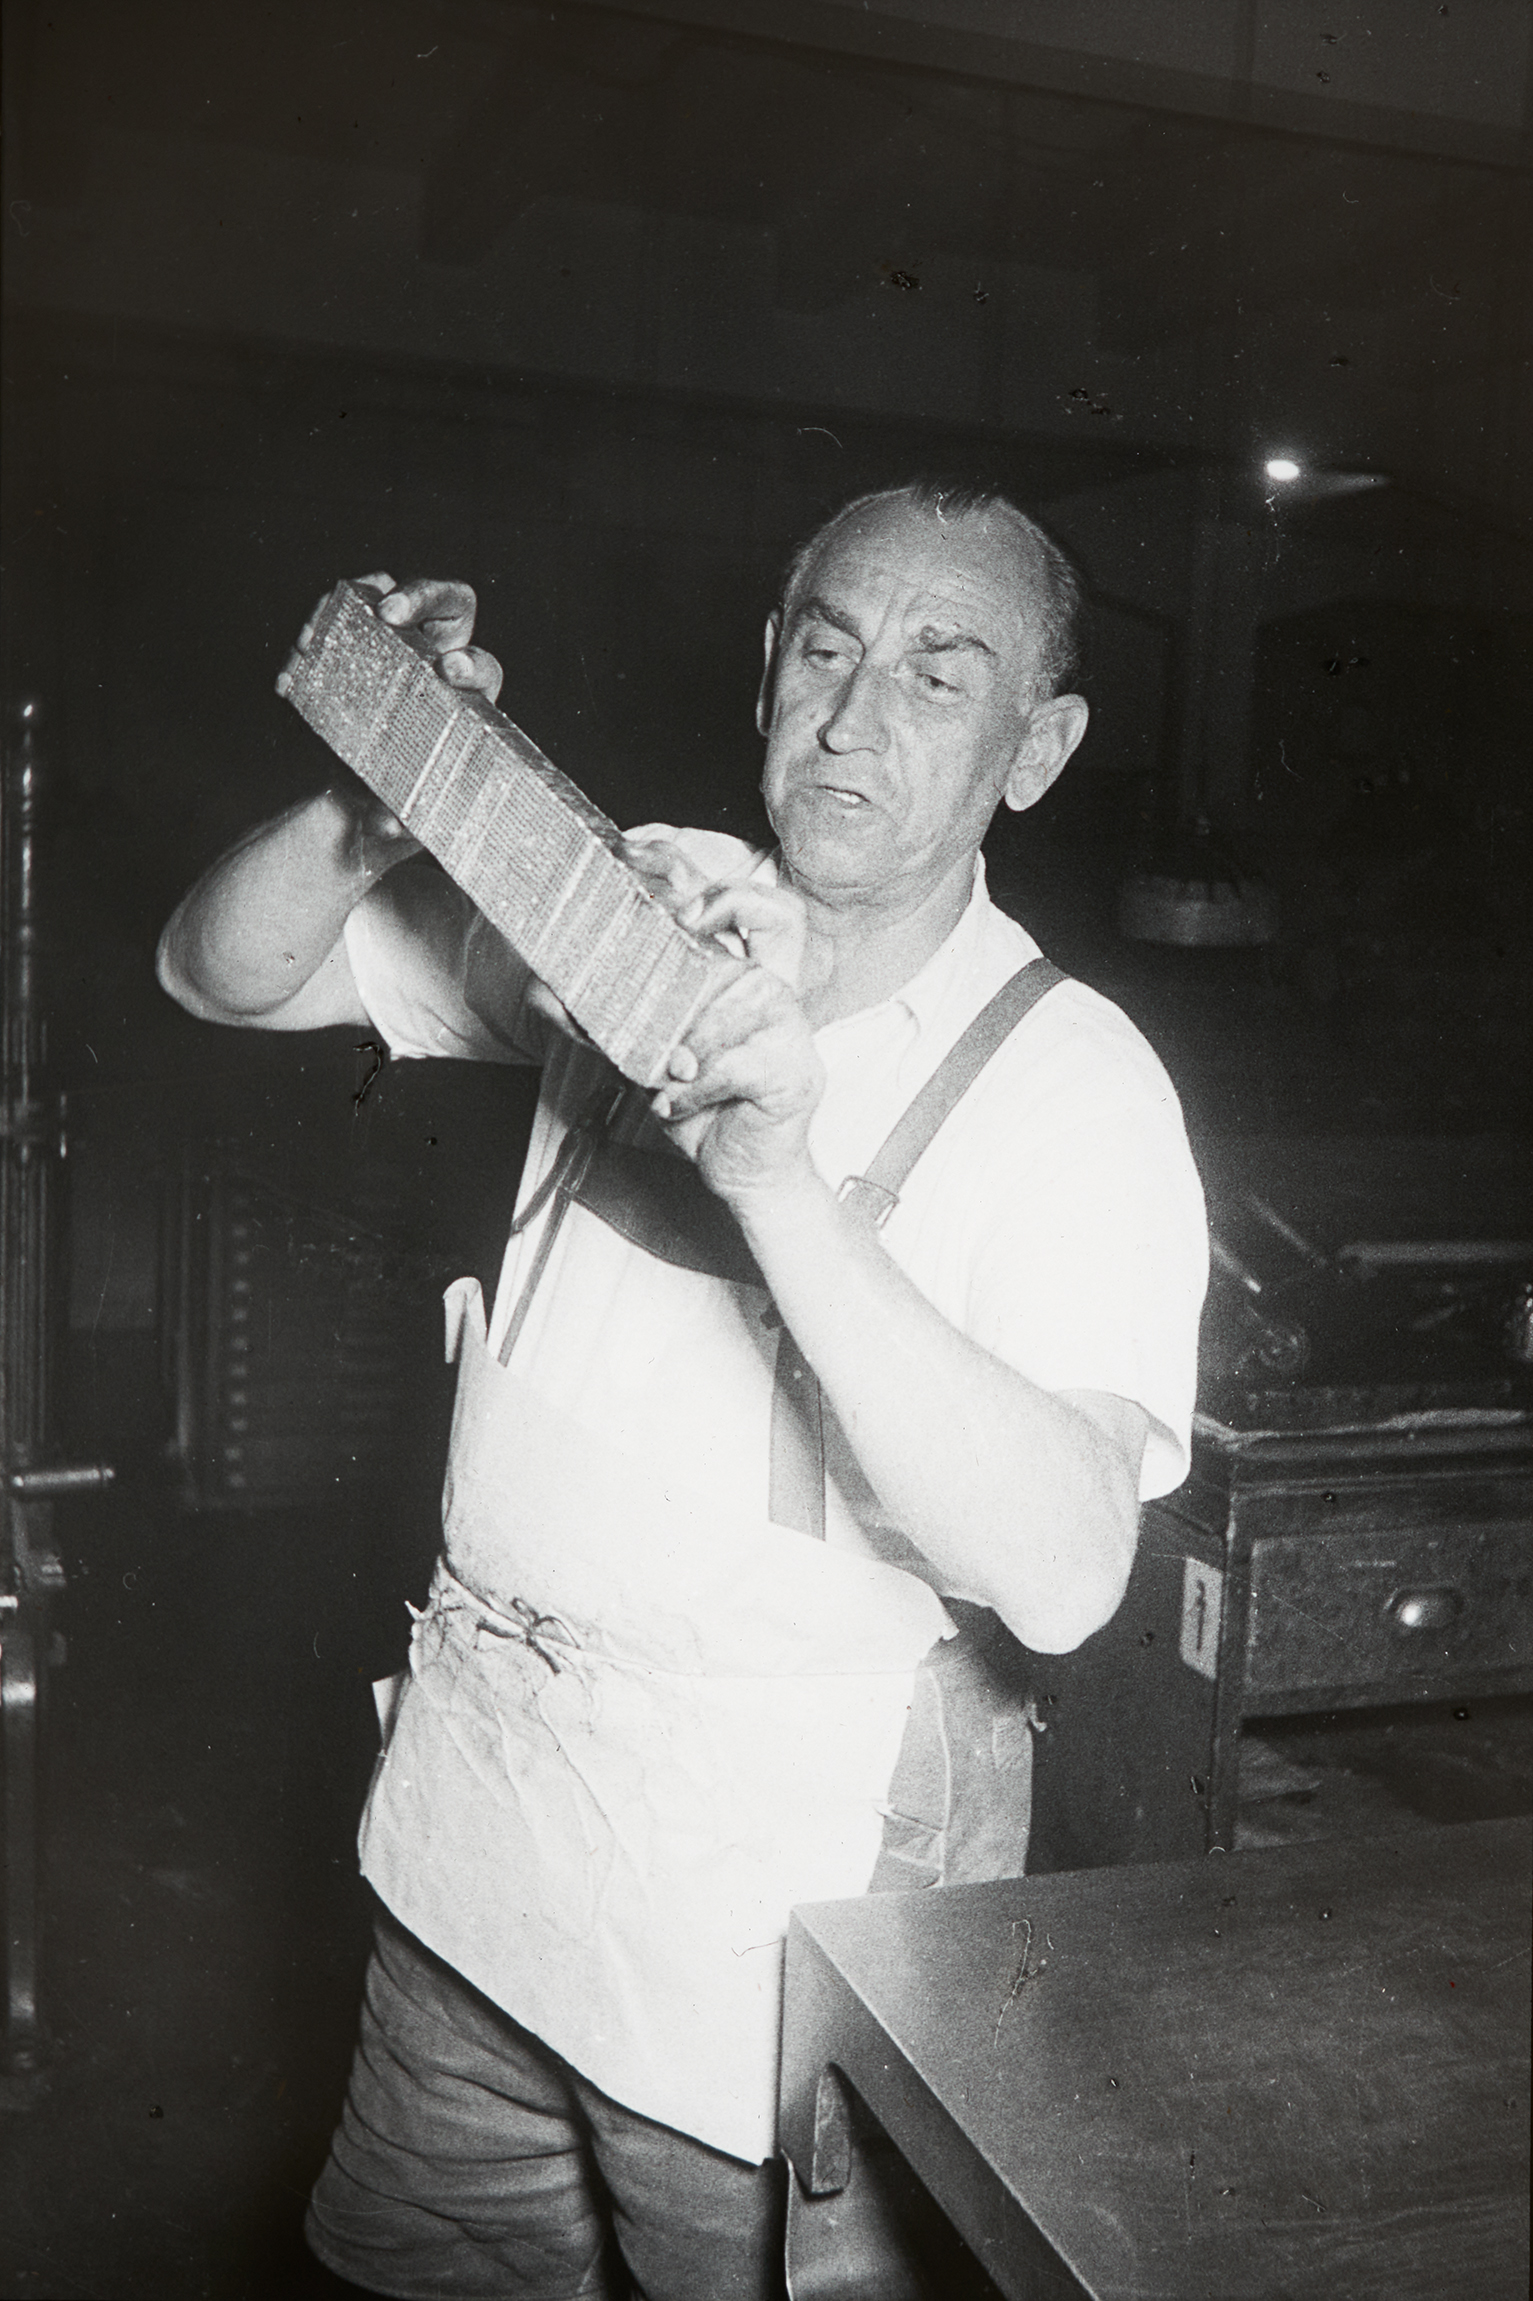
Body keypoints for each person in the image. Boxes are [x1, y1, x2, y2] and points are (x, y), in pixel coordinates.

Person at [158, 480, 1207, 2301]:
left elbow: (1062, 1574)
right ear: (766, 667)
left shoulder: (1074, 1086)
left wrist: (779, 1175)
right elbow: (218, 976)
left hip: (768, 1952)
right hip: (481, 1862)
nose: (855, 716)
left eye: (938, 675)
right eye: (828, 648)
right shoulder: (628, 928)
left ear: (1035, 751)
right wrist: (379, 802)